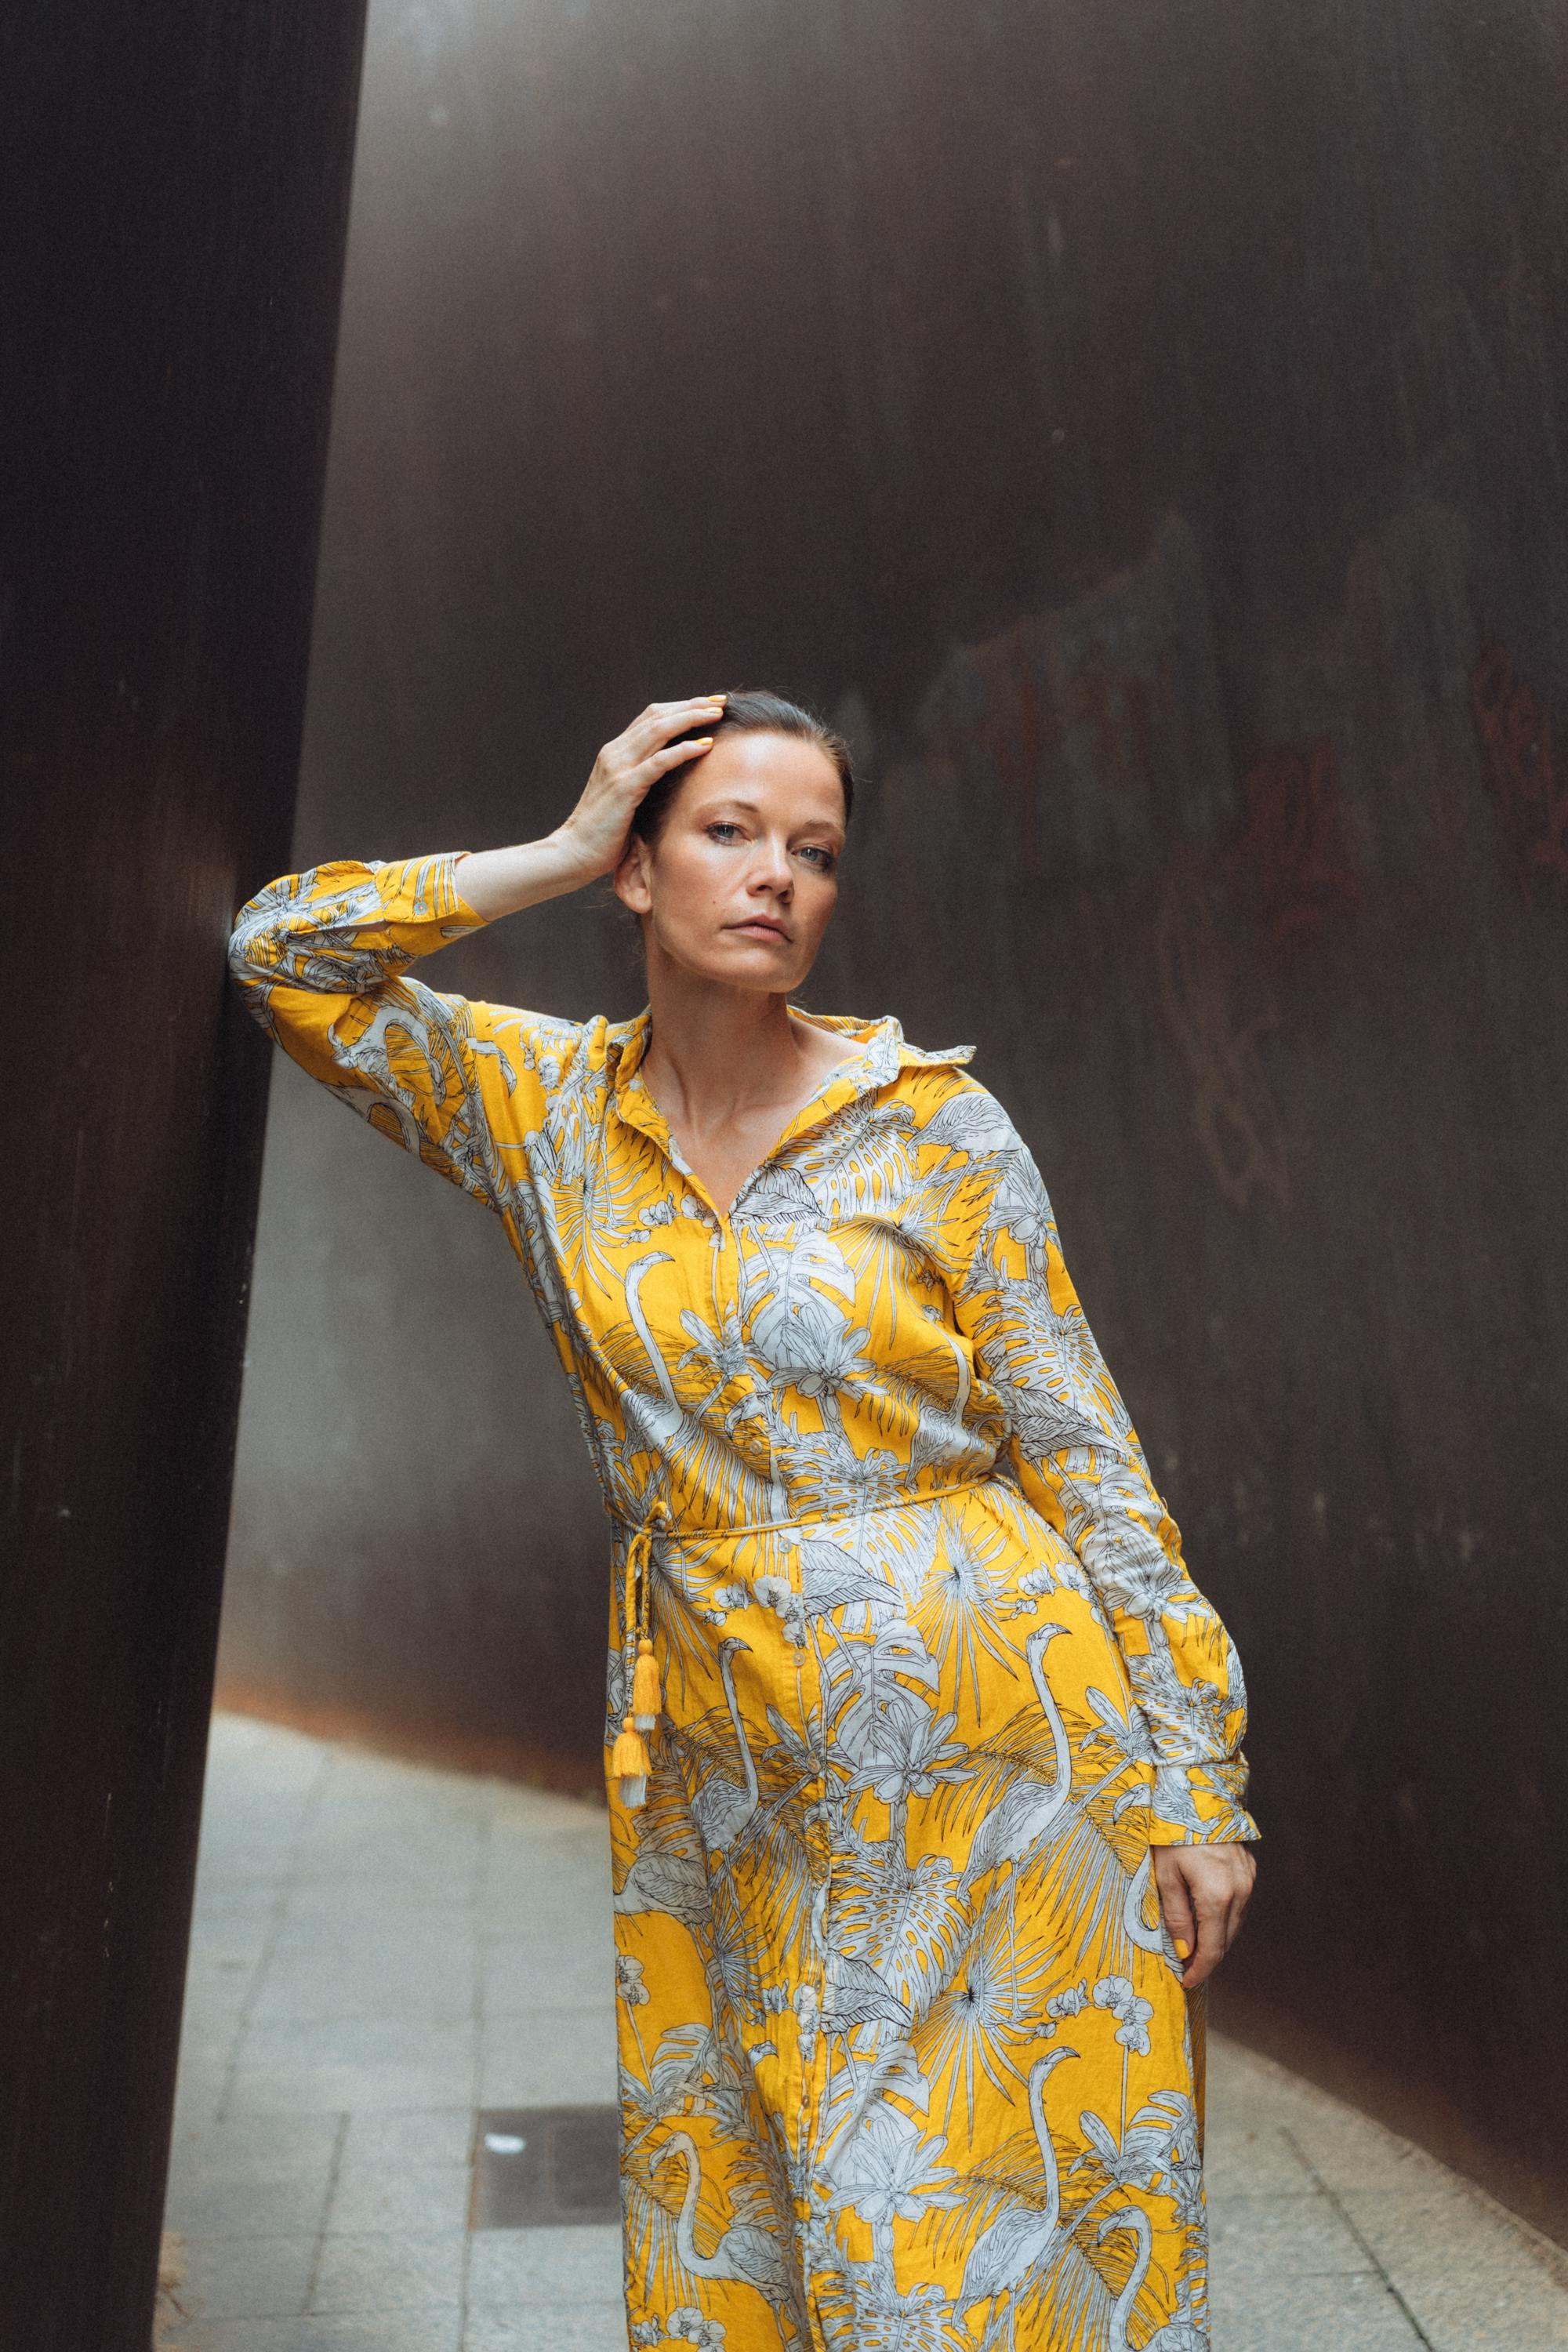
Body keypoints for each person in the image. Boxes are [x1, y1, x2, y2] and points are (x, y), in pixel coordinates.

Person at [229, 688, 1258, 2351]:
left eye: (816, 851)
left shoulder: (934, 1131)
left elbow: (1085, 1455)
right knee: (759, 2223)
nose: (776, 877)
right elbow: (283, 954)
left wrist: (1193, 1776)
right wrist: (558, 847)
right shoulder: (543, 1110)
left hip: (993, 1750)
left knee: (937, 2229)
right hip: (724, 1761)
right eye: (726, 832)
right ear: (639, 870)